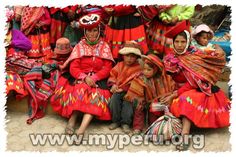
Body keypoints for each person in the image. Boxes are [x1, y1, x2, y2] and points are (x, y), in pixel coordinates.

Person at [161, 20, 230, 151]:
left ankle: (185, 136)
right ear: (173, 43)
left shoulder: (195, 55)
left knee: (186, 99)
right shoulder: (169, 58)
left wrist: (175, 94)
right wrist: (169, 92)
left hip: (199, 89)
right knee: (159, 101)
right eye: (177, 42)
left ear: (187, 42)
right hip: (178, 89)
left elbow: (193, 82)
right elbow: (167, 78)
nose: (180, 45)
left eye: (182, 42)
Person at [50, 13, 114, 144]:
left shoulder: (104, 46)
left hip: (99, 80)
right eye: (89, 30)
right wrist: (84, 77)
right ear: (85, 31)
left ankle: (81, 130)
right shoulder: (80, 46)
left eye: (95, 30)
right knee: (80, 90)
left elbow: (107, 68)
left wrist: (95, 77)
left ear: (99, 31)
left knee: (95, 96)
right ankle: (72, 121)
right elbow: (74, 67)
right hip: (81, 78)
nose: (92, 33)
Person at [24, 37, 72, 124]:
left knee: (50, 78)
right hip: (52, 73)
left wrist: (60, 67)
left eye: (64, 54)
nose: (61, 55)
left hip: (64, 76)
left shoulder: (72, 58)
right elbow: (45, 65)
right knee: (39, 71)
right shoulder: (51, 57)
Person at [124, 54, 175, 135]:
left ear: (155, 69)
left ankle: (154, 127)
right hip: (143, 101)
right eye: (144, 69)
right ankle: (137, 128)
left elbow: (170, 91)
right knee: (138, 108)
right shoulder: (140, 78)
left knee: (154, 113)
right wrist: (140, 99)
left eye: (149, 70)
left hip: (156, 104)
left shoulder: (164, 79)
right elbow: (134, 91)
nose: (146, 72)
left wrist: (161, 99)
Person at [107, 41, 142, 134]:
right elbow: (112, 76)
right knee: (114, 100)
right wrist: (113, 85)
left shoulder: (139, 68)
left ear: (137, 57)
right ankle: (116, 121)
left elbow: (138, 83)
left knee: (128, 103)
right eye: (127, 55)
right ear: (123, 55)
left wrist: (125, 89)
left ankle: (125, 123)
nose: (129, 59)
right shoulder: (119, 65)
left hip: (132, 92)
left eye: (132, 56)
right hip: (118, 90)